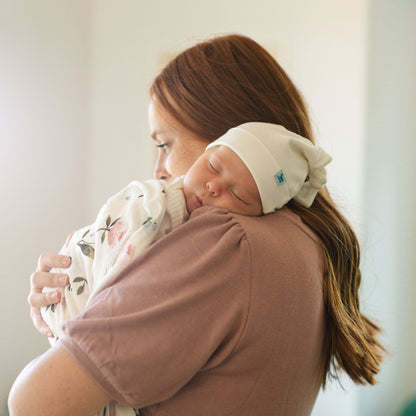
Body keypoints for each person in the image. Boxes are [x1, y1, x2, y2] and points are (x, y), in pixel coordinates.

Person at [9, 34, 385, 416]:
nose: (157, 170)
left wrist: (71, 325)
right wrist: (82, 285)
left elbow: (34, 402)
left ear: (229, 139)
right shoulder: (305, 242)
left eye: (164, 144)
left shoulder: (226, 244)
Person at [42, 121, 331, 346]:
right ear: (208, 153)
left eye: (238, 195)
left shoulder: (232, 242)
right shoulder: (154, 204)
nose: (214, 188)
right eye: (214, 167)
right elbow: (109, 273)